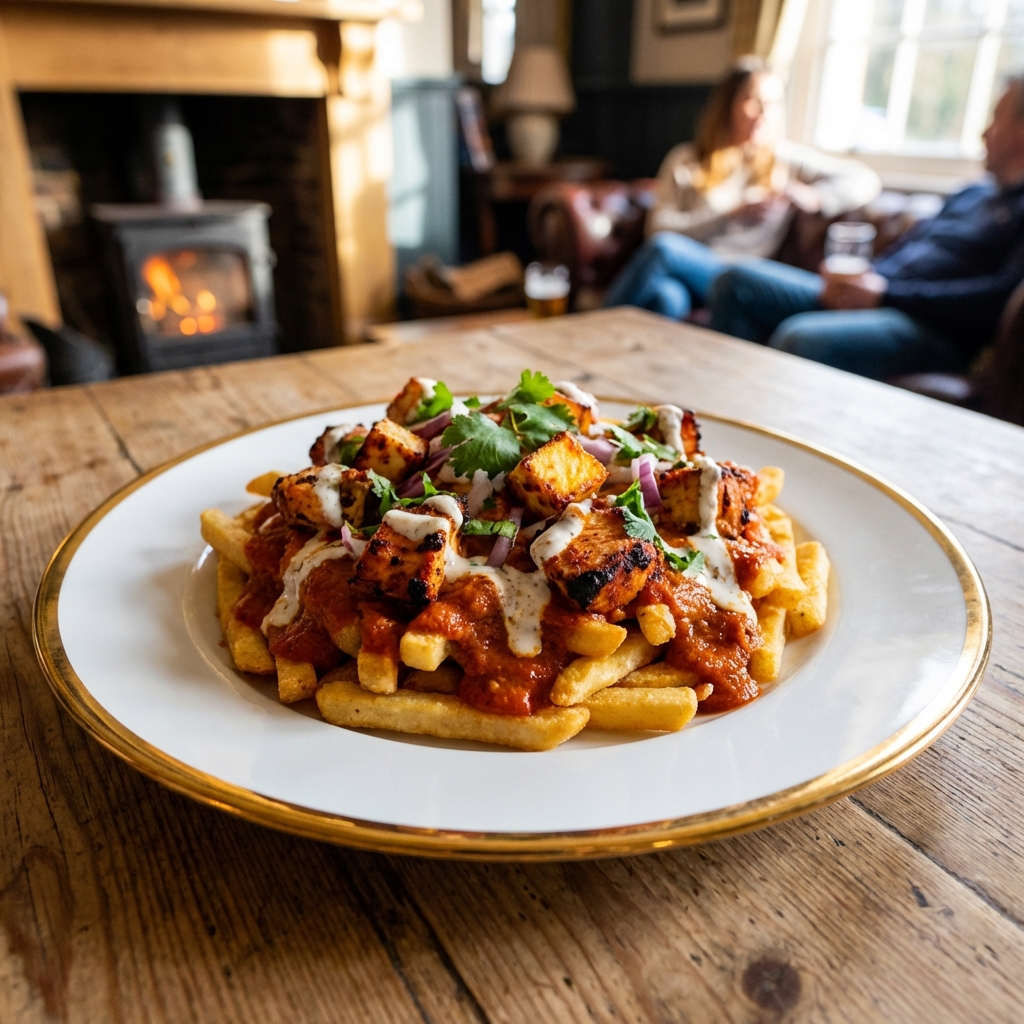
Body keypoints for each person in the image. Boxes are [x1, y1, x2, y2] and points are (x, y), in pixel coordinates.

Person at [706, 77, 1024, 380]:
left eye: (996, 119)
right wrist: (861, 278)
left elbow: (994, 299)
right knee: (737, 281)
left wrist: (886, 294)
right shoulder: (972, 194)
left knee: (801, 338)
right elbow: (910, 245)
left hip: (929, 325)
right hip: (878, 293)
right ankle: (711, 412)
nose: (985, 133)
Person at [603, 57, 880, 320]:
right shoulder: (687, 159)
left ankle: (582, 336)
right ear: (728, 105)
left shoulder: (785, 160)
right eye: (754, 101)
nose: (765, 114)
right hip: (686, 268)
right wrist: (730, 214)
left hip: (738, 275)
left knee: (665, 251)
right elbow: (658, 230)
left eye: (774, 103)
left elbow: (865, 179)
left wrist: (817, 197)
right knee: (666, 298)